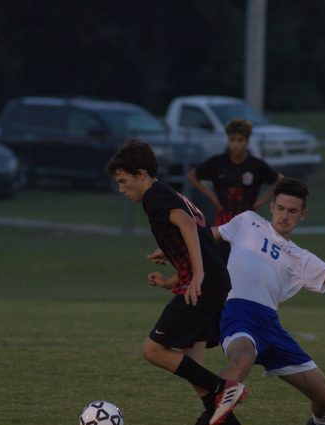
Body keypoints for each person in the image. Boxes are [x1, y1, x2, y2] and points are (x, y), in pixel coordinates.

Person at [205, 177, 325, 425]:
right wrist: (173, 249)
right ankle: (209, 416)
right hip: (239, 315)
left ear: (303, 215)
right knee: (242, 358)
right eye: (281, 208)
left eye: (293, 211)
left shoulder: (301, 258)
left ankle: (323, 424)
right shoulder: (247, 221)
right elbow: (207, 236)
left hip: (271, 327)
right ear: (272, 207)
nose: (285, 215)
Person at [105, 139, 246, 425]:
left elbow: (188, 224)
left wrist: (197, 273)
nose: (121, 188)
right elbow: (200, 235)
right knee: (193, 368)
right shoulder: (171, 194)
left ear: (141, 175)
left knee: (153, 350)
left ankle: (225, 388)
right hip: (213, 282)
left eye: (123, 181)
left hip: (205, 284)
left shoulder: (153, 197)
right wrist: (172, 272)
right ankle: (219, 413)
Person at [187, 118, 283, 227]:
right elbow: (191, 176)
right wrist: (213, 198)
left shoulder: (256, 165)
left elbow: (279, 180)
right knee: (220, 243)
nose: (236, 144)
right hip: (224, 219)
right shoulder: (218, 162)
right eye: (232, 140)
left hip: (248, 220)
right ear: (228, 141)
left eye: (240, 140)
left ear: (247, 142)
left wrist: (260, 202)